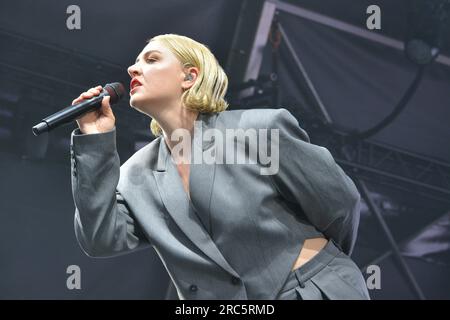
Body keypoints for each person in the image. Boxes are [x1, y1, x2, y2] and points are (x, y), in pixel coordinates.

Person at [69, 34, 370, 300]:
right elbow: (99, 238)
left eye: (151, 59)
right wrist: (96, 141)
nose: (133, 69)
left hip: (311, 288)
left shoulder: (259, 129)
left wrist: (318, 265)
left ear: (189, 77)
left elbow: (339, 202)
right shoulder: (137, 173)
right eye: (136, 63)